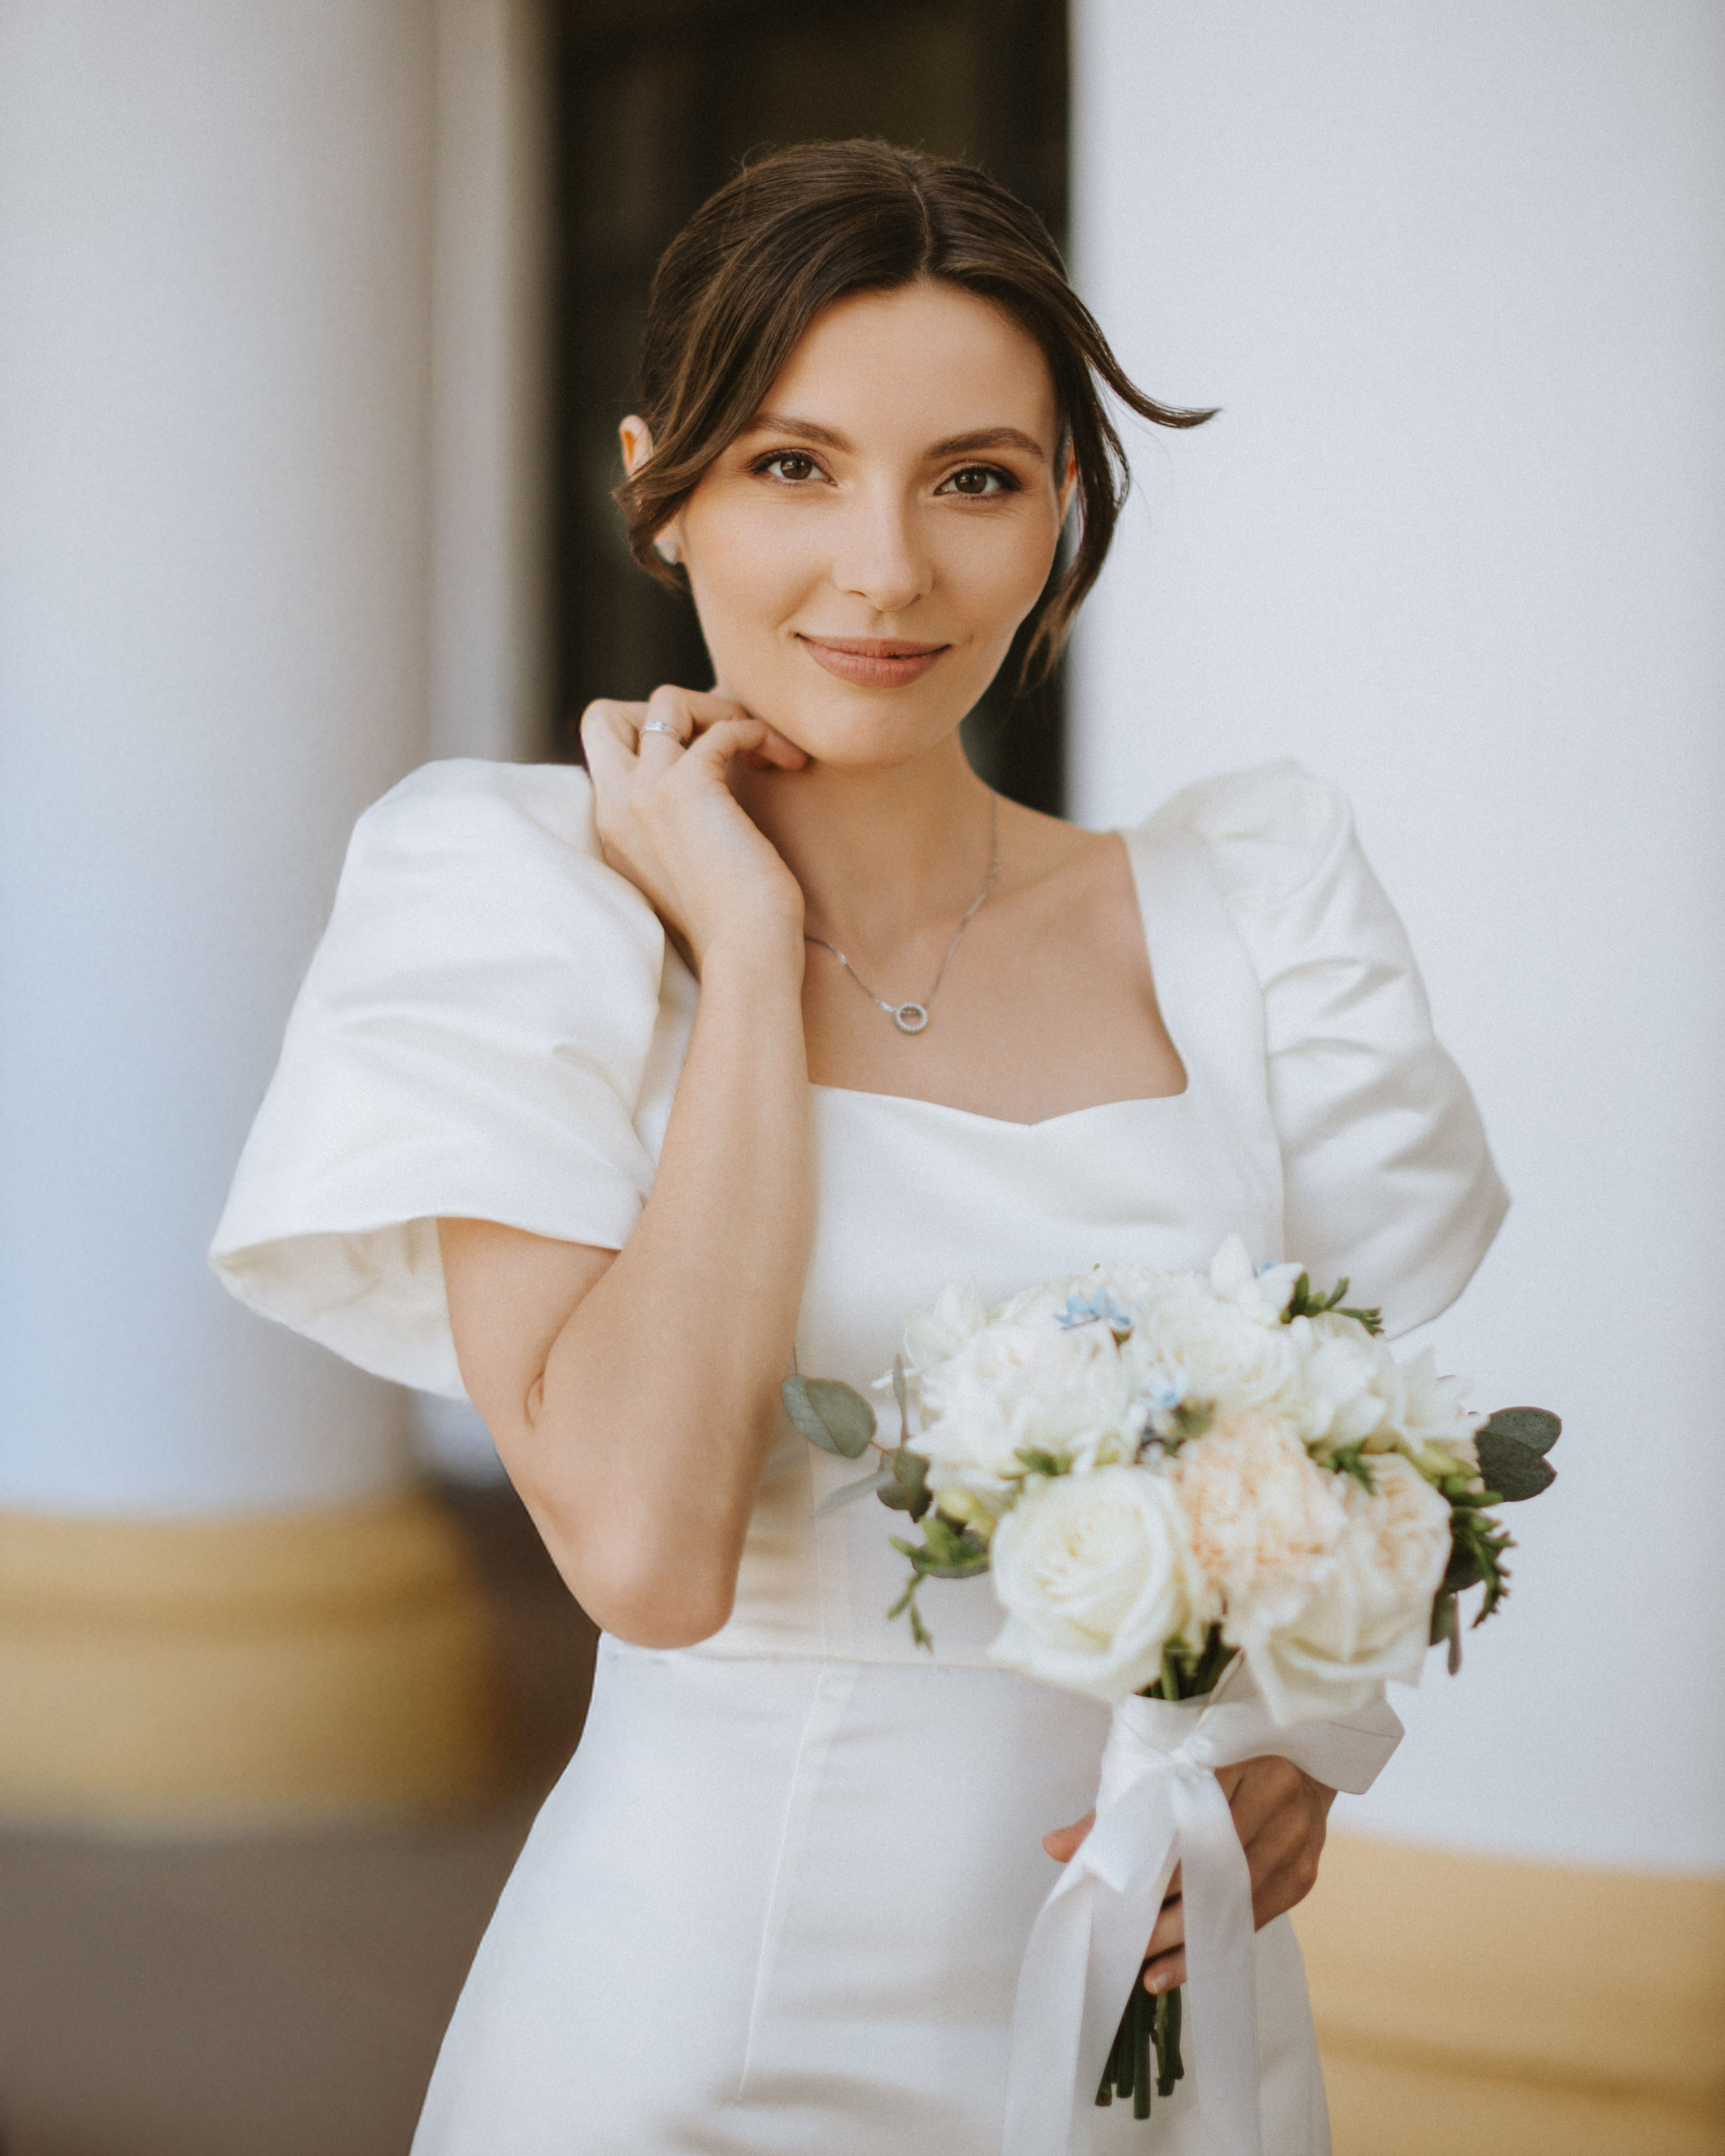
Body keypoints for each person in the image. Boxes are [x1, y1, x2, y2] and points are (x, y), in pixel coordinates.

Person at [212, 140, 1507, 2154]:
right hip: (701, 2025)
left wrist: (1310, 1736)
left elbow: (1352, 1438)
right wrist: (738, 955)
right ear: (663, 489)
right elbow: (644, 1554)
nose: (886, 570)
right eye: (792, 467)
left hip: (1157, 2024)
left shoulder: (1253, 919)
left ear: (1062, 510)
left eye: (973, 479)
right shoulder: (516, 914)